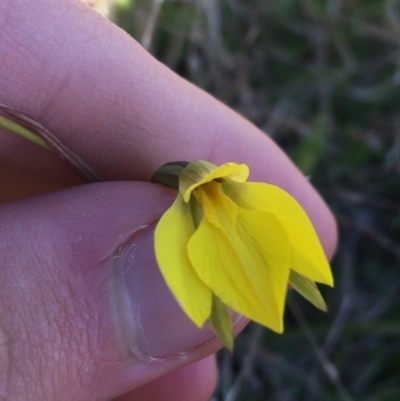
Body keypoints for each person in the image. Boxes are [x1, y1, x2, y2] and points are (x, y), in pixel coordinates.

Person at [0, 1, 338, 400]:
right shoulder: (186, 207)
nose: (209, 184)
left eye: (214, 180)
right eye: (207, 182)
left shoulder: (219, 205)